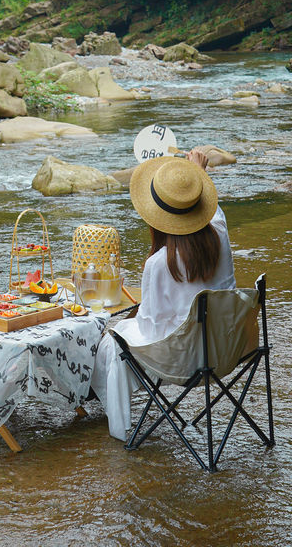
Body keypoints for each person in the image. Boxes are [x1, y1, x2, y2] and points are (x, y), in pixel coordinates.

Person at [91, 149, 235, 440]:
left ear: (157, 217)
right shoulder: (221, 235)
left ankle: (119, 426)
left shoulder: (160, 264)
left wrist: (128, 321)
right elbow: (214, 212)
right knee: (120, 338)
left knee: (114, 343)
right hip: (227, 352)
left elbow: (151, 330)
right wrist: (198, 175)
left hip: (181, 363)